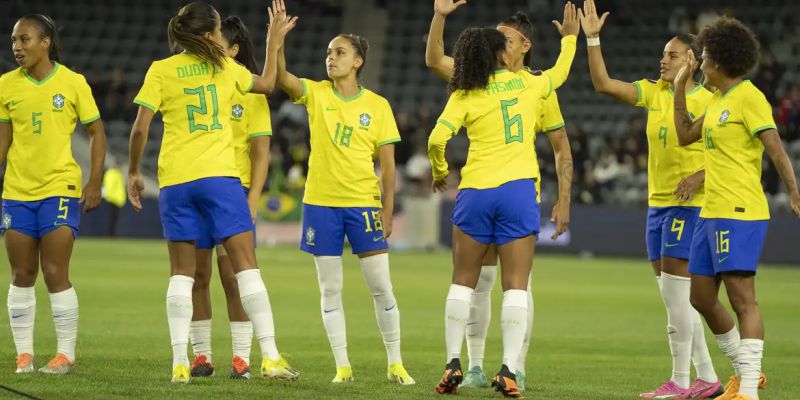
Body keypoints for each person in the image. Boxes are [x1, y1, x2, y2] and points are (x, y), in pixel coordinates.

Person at [126, 1, 298, 383]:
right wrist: (273, 42)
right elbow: (268, 84)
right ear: (208, 36)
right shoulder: (226, 68)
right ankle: (269, 355)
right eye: (219, 31)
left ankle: (179, 362)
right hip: (221, 179)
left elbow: (139, 128)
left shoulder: (161, 70)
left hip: (175, 181)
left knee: (182, 274)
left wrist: (135, 170)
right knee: (245, 268)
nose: (223, 37)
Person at [424, 1, 574, 390]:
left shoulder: (467, 87)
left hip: (475, 189)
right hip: (519, 190)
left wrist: (441, 172)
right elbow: (560, 72)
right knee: (516, 286)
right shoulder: (534, 85)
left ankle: (455, 363)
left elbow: (437, 138)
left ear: (523, 45)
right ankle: (507, 368)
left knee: (463, 281)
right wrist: (574, 39)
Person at [579, 0, 722, 397]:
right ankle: (707, 377)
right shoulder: (655, 92)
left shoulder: (710, 103)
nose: (663, 61)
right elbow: (604, 83)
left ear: (691, 59)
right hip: (657, 205)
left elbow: (732, 156)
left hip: (689, 206)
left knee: (679, 296)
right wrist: (592, 39)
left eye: (671, 55)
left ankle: (679, 382)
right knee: (673, 298)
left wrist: (700, 175)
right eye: (662, 55)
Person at [273, 0, 414, 385]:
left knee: (381, 287)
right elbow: (281, 78)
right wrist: (277, 41)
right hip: (320, 205)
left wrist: (387, 211)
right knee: (329, 289)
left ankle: (395, 363)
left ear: (358, 62)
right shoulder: (317, 94)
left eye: (339, 53)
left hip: (363, 206)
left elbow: (387, 166)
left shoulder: (378, 106)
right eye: (328, 53)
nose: (330, 58)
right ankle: (343, 367)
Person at [673, 16, 800, 400]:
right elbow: (684, 135)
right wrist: (680, 86)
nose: (701, 62)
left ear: (722, 61)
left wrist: (794, 192)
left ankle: (747, 390)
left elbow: (776, 149)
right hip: (710, 212)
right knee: (700, 298)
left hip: (740, 211)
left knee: (743, 299)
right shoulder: (715, 100)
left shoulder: (749, 97)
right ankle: (745, 373)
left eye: (705, 56)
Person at [0, 14, 106, 375]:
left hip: (60, 187)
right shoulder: (6, 86)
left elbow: (97, 132)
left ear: (45, 42)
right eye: (14, 40)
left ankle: (65, 355)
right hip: (16, 191)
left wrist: (94, 181)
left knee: (54, 269)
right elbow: (3, 142)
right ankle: (24, 355)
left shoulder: (73, 83)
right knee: (22, 272)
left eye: (24, 39)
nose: (17, 47)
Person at [187, 15, 273, 380]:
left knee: (233, 277)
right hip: (197, 185)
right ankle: (201, 355)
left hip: (233, 193)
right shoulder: (199, 85)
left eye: (218, 39)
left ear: (233, 49)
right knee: (197, 275)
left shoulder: (251, 95)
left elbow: (261, 154)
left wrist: (253, 197)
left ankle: (242, 358)